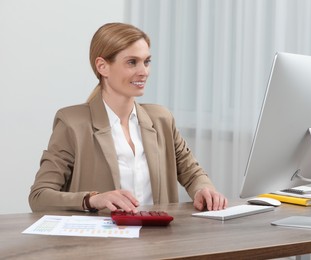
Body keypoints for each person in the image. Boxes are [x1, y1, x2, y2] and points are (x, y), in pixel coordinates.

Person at [29, 22, 228, 213]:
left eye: (147, 61)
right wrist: (93, 199)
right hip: (102, 243)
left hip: (160, 241)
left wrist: (203, 189)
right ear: (102, 66)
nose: (144, 72)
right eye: (132, 62)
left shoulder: (161, 119)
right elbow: (39, 196)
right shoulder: (72, 123)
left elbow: (193, 174)